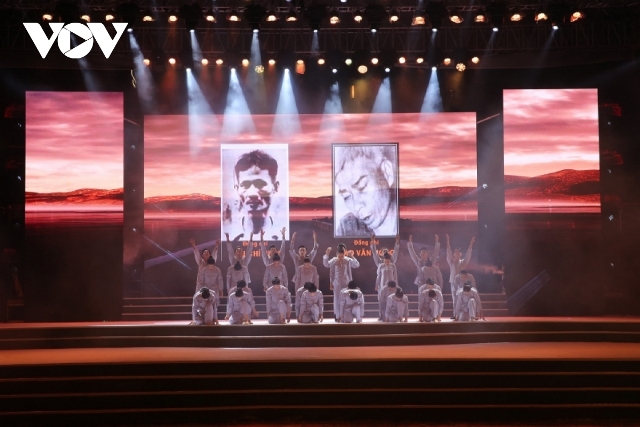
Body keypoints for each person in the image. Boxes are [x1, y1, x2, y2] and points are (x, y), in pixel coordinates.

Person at [334, 145, 398, 237]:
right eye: (346, 196)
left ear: (386, 173)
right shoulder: (347, 228)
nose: (356, 207)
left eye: (362, 187)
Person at [226, 150, 284, 239]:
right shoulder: (230, 231)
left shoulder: (281, 231)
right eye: (245, 185)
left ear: (275, 187)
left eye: (260, 184)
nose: (252, 193)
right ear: (237, 188)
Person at [446, 234, 475, 317]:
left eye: (458, 252)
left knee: (463, 298)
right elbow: (448, 253)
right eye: (456, 252)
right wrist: (448, 242)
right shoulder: (451, 262)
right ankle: (455, 314)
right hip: (453, 282)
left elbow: (468, 256)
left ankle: (466, 313)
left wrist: (471, 244)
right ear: (454, 254)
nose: (457, 253)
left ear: (461, 254)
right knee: (455, 299)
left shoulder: (463, 262)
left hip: (462, 283)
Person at [329, 248, 360, 321]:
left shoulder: (347, 261)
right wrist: (331, 282)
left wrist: (351, 283)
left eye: (342, 256)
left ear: (344, 255)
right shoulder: (333, 262)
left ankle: (346, 315)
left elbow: (350, 271)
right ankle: (337, 316)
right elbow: (331, 273)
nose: (340, 258)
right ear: (337, 255)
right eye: (339, 256)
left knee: (346, 298)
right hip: (336, 282)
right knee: (337, 299)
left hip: (346, 282)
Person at [374, 253, 397, 319]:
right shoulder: (381, 266)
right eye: (385, 261)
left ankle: (393, 314)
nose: (386, 262)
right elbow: (378, 276)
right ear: (383, 260)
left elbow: (395, 276)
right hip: (382, 284)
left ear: (390, 260)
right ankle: (381, 315)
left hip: (391, 285)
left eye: (388, 261)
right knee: (381, 300)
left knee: (392, 299)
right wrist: (377, 285)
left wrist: (395, 285)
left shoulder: (393, 266)